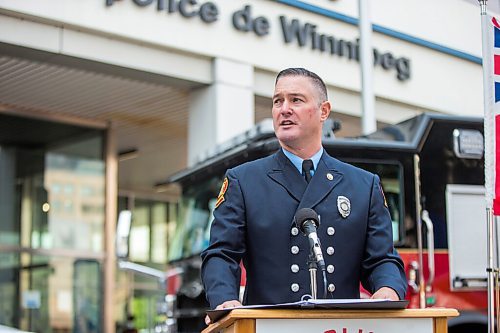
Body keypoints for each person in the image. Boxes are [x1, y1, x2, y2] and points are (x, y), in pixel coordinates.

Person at [200, 68, 406, 323]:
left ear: (324, 111)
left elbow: (381, 259)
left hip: (340, 326)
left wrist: (388, 289)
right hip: (269, 327)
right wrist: (224, 299)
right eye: (278, 101)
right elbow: (221, 254)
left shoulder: (363, 185)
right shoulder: (244, 180)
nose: (284, 109)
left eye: (296, 100)